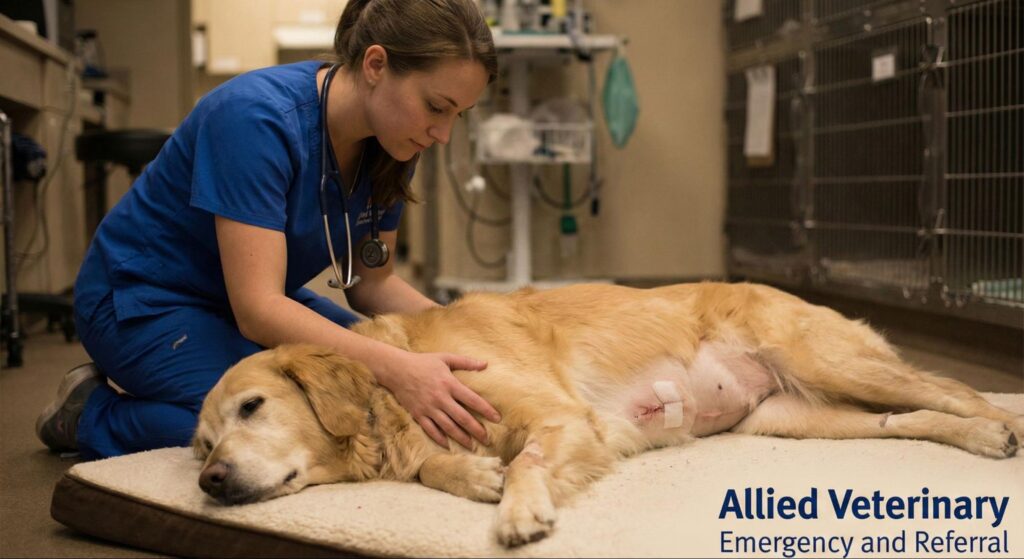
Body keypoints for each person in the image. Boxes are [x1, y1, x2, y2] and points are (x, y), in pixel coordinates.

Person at [35, 0, 502, 460]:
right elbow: (258, 311)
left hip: (252, 295)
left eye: (455, 115)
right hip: (144, 299)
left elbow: (372, 284)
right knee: (270, 418)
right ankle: (89, 414)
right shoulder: (253, 118)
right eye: (436, 107)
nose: (442, 134)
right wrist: (397, 368)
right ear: (376, 64)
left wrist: (464, 334)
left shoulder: (393, 139)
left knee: (373, 391)